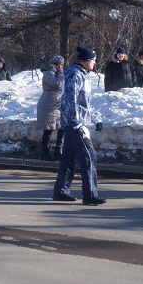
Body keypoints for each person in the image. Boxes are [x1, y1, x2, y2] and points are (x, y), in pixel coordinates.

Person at [52, 46, 107, 206]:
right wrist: (76, 122)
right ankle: (90, 194)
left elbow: (85, 102)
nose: (95, 63)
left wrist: (95, 118)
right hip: (75, 123)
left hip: (75, 122)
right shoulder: (75, 74)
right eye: (94, 60)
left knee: (69, 158)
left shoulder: (82, 75)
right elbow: (70, 99)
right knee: (89, 157)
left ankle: (60, 191)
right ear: (85, 60)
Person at [36, 55, 65, 160]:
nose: (62, 67)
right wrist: (61, 73)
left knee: (62, 127)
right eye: (61, 65)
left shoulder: (56, 73)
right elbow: (58, 84)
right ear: (56, 65)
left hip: (57, 103)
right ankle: (45, 153)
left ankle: (58, 150)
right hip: (49, 104)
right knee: (48, 129)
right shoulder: (48, 73)